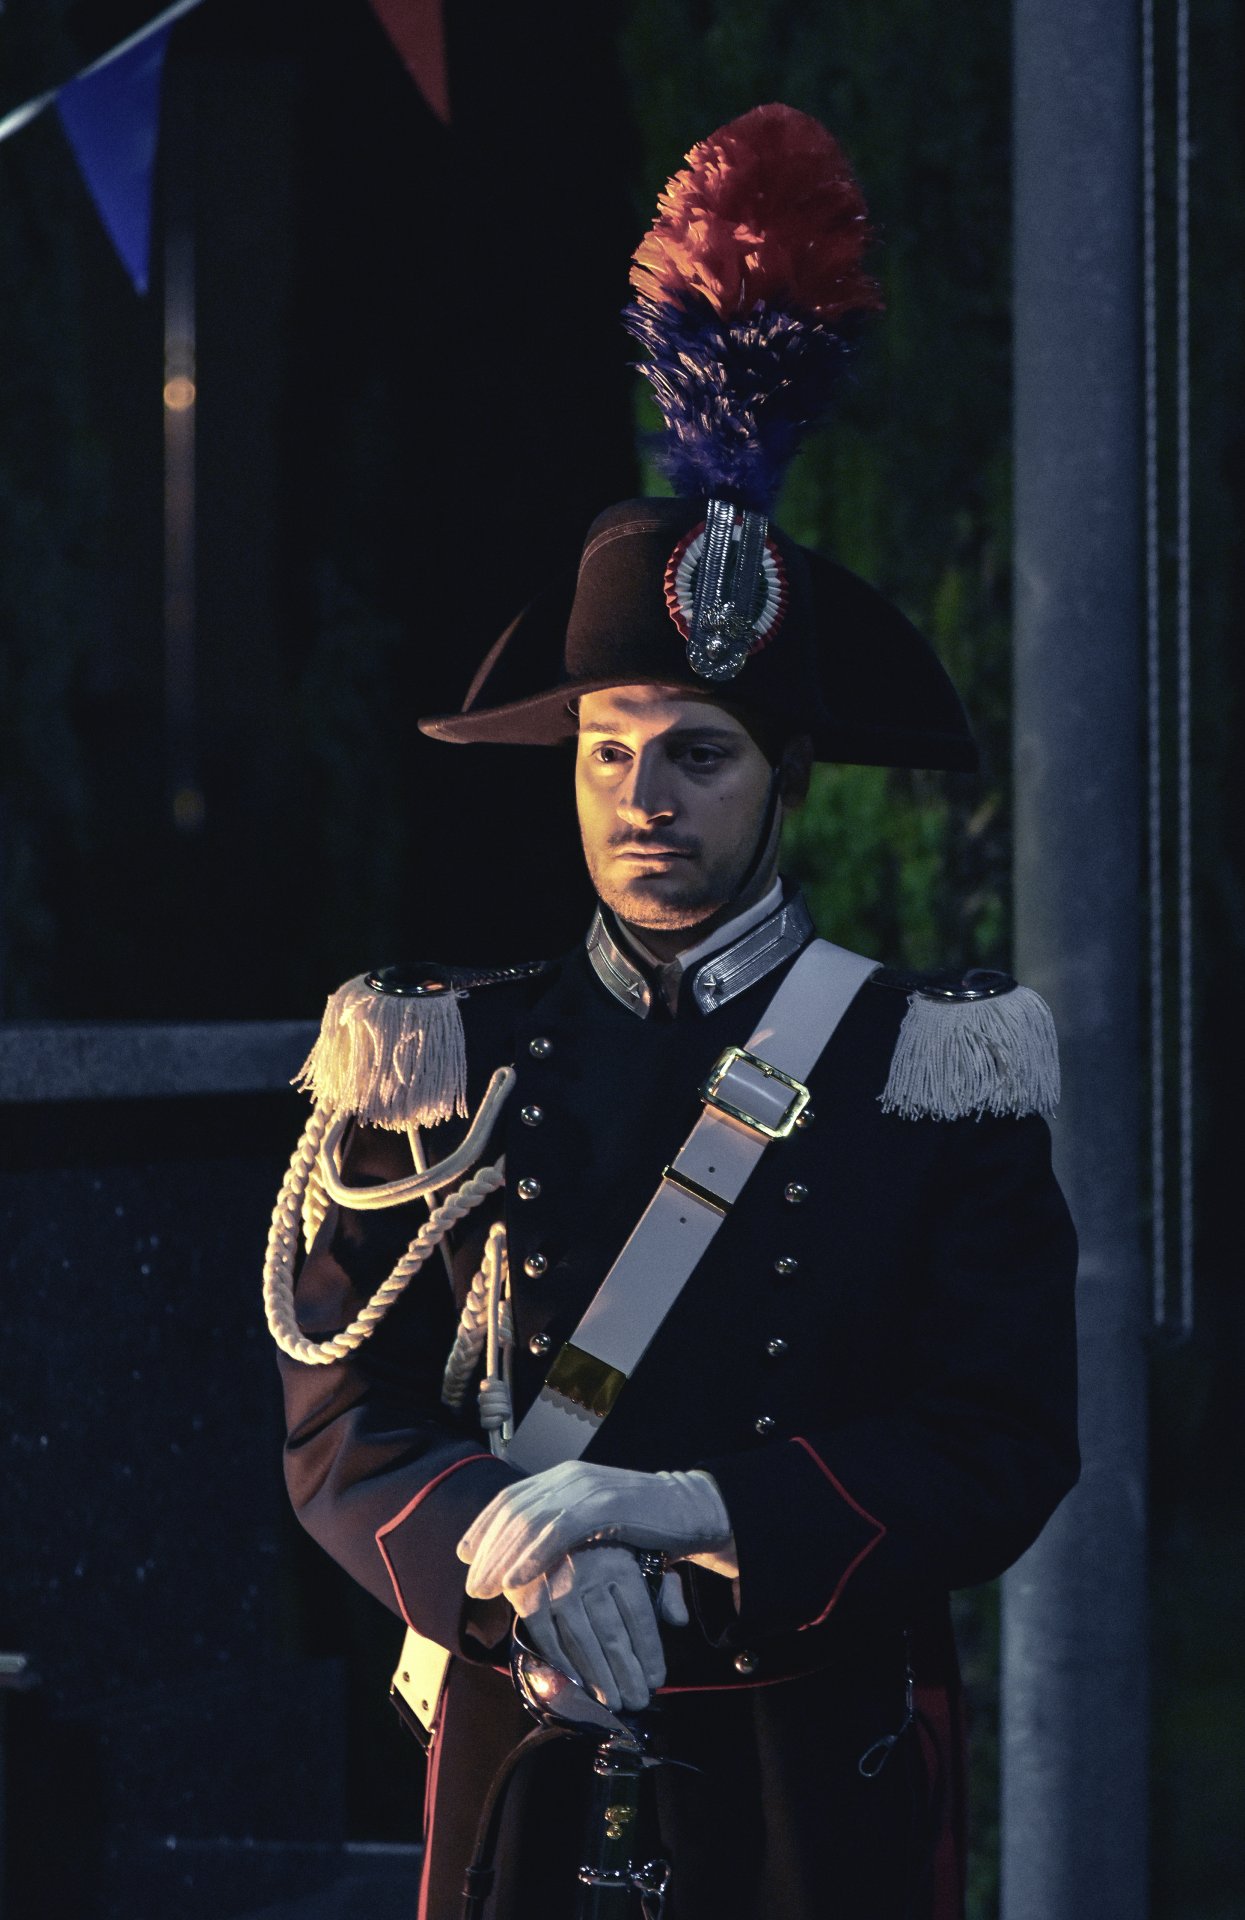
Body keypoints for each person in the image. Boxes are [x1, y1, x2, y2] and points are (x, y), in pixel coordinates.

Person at [265, 105, 1078, 1920]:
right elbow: (338, 1427)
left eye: (698, 755)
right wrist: (525, 1557)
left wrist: (668, 1508)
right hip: (524, 1730)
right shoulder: (437, 1054)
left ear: (785, 777)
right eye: (610, 752)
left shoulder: (927, 1068)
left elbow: (1001, 1443)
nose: (643, 798)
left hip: (818, 1771)